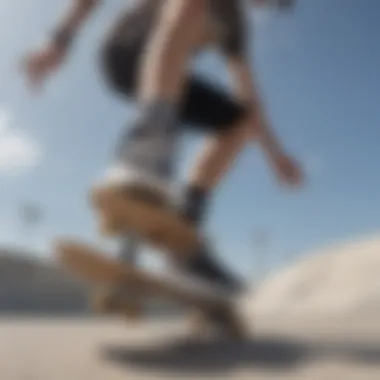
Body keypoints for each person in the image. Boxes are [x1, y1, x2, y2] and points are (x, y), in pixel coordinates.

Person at [21, 0, 302, 300]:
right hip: (123, 53)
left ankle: (183, 236)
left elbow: (249, 96)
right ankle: (144, 154)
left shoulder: (233, 23)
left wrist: (275, 155)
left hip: (169, 75)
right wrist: (59, 40)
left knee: (241, 122)